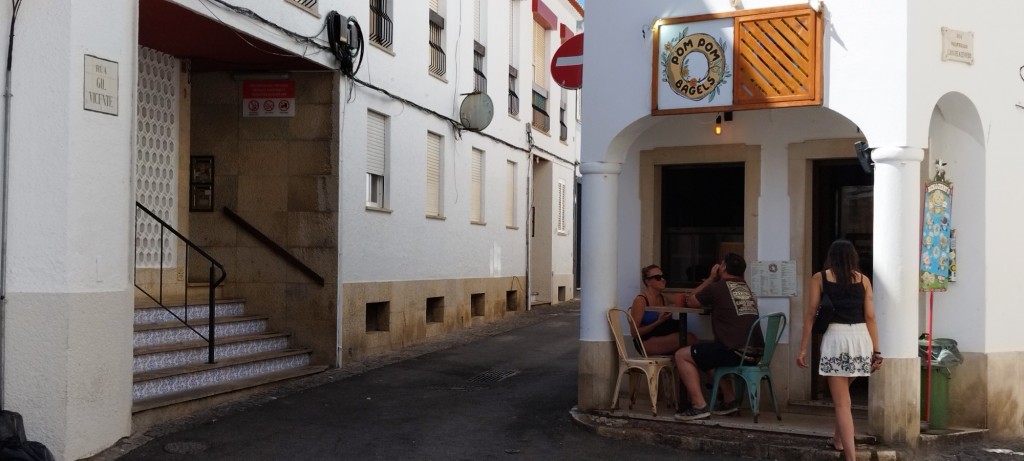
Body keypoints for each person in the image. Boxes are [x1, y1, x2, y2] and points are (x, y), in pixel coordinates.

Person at [796, 240, 883, 461]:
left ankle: (851, 457)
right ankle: (838, 439)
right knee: (844, 396)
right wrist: (877, 351)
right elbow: (871, 316)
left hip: (836, 339)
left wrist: (803, 348)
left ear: (831, 257)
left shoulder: (820, 278)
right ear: (853, 257)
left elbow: (811, 314)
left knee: (842, 404)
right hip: (861, 339)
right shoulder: (864, 280)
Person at [673, 253, 763, 420]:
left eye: (721, 265)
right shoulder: (745, 288)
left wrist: (710, 278)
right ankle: (729, 401)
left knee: (682, 355)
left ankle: (699, 406)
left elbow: (691, 301)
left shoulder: (718, 287)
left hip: (735, 352)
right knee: (705, 357)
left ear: (724, 268)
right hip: (755, 353)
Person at [630, 264, 697, 356]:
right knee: (689, 339)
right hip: (644, 341)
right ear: (648, 282)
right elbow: (634, 332)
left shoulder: (664, 299)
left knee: (689, 340)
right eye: (658, 278)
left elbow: (688, 298)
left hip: (661, 336)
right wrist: (658, 321)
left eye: (663, 276)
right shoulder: (641, 300)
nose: (663, 280)